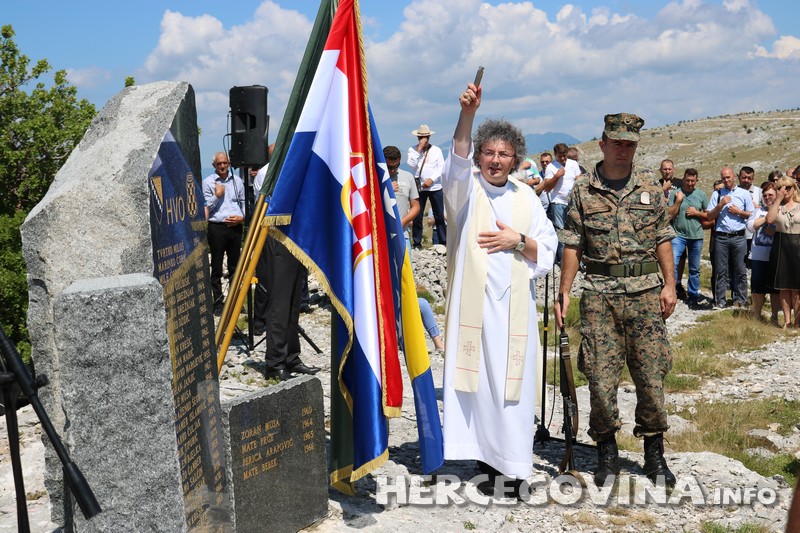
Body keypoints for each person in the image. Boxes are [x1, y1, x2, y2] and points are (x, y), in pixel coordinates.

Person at [441, 81, 557, 489]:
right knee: (480, 388)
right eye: (488, 152)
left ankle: (515, 468)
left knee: (514, 390)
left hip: (513, 312)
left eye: (503, 154)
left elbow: (547, 247)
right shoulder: (464, 191)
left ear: (515, 160)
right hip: (473, 310)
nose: (494, 160)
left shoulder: (526, 198)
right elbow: (457, 156)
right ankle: (487, 463)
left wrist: (518, 240)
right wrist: (468, 114)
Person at [555, 112, 678, 487]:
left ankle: (654, 454)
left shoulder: (650, 188)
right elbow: (573, 244)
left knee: (651, 377)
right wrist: (564, 291)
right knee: (600, 379)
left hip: (645, 295)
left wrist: (670, 284)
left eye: (630, 144)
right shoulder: (582, 189)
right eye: (617, 142)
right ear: (603, 143)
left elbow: (662, 237)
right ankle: (606, 453)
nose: (623, 150)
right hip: (600, 297)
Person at [706, 167, 754, 309]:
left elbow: (752, 214)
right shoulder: (717, 194)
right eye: (723, 178)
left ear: (735, 177)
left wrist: (739, 212)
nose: (726, 180)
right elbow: (709, 216)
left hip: (739, 236)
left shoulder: (744, 194)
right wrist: (720, 205)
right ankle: (720, 300)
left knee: (740, 269)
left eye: (728, 177)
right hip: (721, 237)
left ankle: (741, 300)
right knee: (720, 270)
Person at [203, 152, 245, 314]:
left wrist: (241, 218)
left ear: (229, 164)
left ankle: (236, 302)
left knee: (235, 267)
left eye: (225, 163)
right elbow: (206, 207)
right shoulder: (208, 182)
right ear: (214, 165)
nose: (222, 166)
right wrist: (217, 195)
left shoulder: (237, 181)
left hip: (235, 227)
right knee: (217, 267)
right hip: (217, 228)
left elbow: (243, 204)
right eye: (219, 164)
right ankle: (218, 303)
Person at [669, 168, 710, 309]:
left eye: (693, 181)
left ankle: (693, 295)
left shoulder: (701, 195)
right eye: (688, 180)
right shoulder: (676, 193)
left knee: (694, 268)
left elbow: (709, 215)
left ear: (696, 180)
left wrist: (696, 213)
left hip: (696, 236)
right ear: (683, 179)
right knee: (672, 263)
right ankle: (672, 291)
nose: (690, 183)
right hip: (678, 235)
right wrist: (678, 201)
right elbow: (669, 213)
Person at [766, 177, 800, 328]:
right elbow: (770, 220)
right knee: (784, 286)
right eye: (781, 188)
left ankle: (798, 321)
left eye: (788, 188)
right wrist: (778, 199)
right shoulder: (777, 206)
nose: (785, 191)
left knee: (797, 287)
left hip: (798, 244)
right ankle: (787, 321)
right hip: (781, 245)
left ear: (794, 188)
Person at [540, 143, 579, 263]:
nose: (563, 158)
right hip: (558, 203)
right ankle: (564, 261)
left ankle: (577, 261)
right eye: (560, 156)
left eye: (565, 155)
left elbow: (579, 178)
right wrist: (557, 176)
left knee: (576, 232)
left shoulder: (573, 164)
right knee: (561, 233)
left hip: (573, 203)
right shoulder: (551, 167)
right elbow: (547, 187)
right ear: (555, 155)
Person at [408, 124, 446, 248]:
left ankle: (443, 242)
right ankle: (417, 243)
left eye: (425, 137)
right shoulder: (412, 150)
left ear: (429, 137)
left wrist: (432, 179)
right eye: (421, 137)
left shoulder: (436, 150)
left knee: (439, 215)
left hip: (435, 187)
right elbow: (411, 164)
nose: (423, 139)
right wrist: (419, 149)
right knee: (418, 216)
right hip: (419, 187)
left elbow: (441, 167)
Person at [746, 182, 779, 321]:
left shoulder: (781, 210)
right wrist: (767, 218)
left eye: (770, 195)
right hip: (758, 254)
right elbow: (750, 226)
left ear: (776, 196)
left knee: (775, 288)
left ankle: (774, 316)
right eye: (765, 195)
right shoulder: (757, 211)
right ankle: (757, 314)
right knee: (757, 287)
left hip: (775, 255)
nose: (767, 197)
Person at [384, 145, 420, 253]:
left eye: (396, 166)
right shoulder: (375, 177)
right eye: (389, 167)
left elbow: (416, 206)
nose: (393, 170)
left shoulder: (408, 177)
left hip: (402, 235)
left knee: (404, 269)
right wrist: (386, 190)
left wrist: (403, 222)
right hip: (381, 236)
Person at [738, 166, 762, 268]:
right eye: (744, 177)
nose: (746, 180)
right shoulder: (734, 191)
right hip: (738, 235)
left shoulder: (759, 192)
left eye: (749, 178)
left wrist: (756, 207)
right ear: (739, 177)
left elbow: (766, 209)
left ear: (753, 179)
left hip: (753, 236)